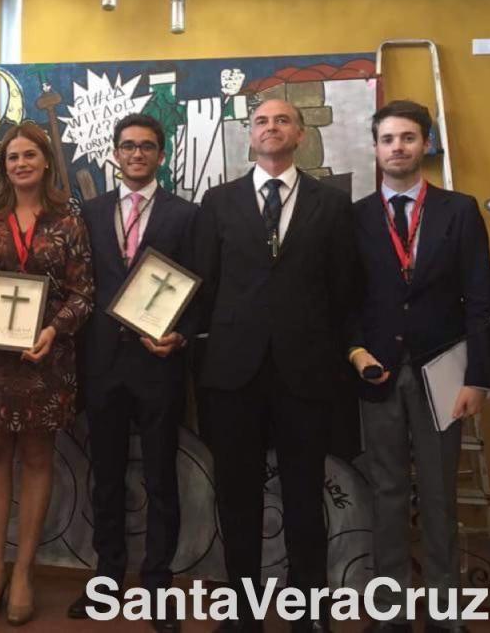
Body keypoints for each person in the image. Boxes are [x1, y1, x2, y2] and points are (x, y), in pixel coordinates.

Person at [193, 98, 357, 633]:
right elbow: (203, 287)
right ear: (249, 133)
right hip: (233, 373)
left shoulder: (332, 206)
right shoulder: (217, 203)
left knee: (304, 493)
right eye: (261, 120)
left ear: (299, 132)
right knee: (237, 494)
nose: (271, 127)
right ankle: (243, 610)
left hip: (305, 373)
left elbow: (342, 294)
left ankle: (306, 608)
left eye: (281, 120)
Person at [350, 100, 490, 633]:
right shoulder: (357, 216)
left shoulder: (460, 209)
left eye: (409, 138)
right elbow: (346, 298)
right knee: (384, 493)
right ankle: (389, 612)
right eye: (388, 139)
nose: (398, 147)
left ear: (425, 144)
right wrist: (356, 350)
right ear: (377, 147)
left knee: (438, 493)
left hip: (444, 371)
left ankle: (444, 612)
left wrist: (479, 377)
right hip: (380, 372)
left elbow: (481, 299)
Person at [0, 122, 94, 626]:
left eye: (30, 154)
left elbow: (83, 294)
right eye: (12, 156)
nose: (21, 163)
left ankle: (25, 571)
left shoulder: (69, 222)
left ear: (46, 161)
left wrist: (54, 329)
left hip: (45, 362)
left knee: (37, 459)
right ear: (3, 165)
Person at [69, 113, 197, 632]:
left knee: (162, 477)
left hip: (159, 361)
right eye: (128, 147)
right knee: (105, 476)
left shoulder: (186, 216)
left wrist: (180, 333)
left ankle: (158, 584)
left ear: (160, 155)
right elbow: (81, 283)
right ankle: (107, 578)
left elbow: (200, 285)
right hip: (102, 363)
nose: (137, 154)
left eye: (147, 147)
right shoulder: (92, 212)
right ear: (115, 156)